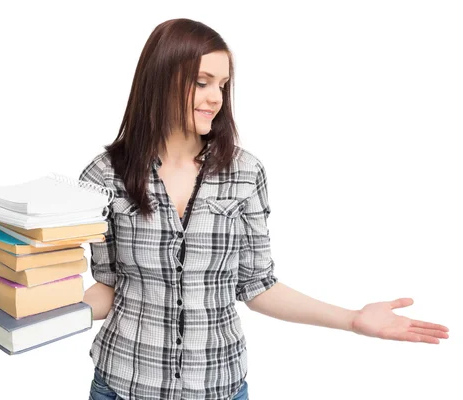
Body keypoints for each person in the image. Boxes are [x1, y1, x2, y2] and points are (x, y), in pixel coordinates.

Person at [78, 18, 449, 400]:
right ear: (159, 78)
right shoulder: (104, 174)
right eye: (201, 82)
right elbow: (108, 285)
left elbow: (257, 286)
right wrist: (42, 318)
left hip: (219, 387)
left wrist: (352, 319)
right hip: (122, 385)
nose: (216, 98)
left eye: (222, 86)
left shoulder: (245, 172)